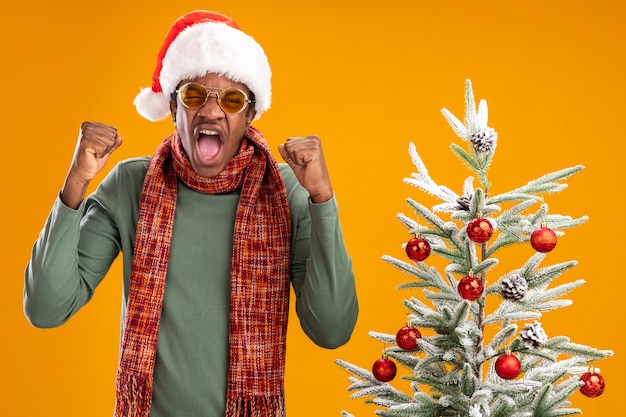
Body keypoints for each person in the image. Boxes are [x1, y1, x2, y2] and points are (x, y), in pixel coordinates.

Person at [23, 10, 358, 417]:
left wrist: (321, 198)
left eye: (232, 100)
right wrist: (75, 182)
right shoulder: (132, 184)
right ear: (173, 107)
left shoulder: (288, 190)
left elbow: (332, 330)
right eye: (194, 95)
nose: (212, 112)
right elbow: (45, 308)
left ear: (250, 114)